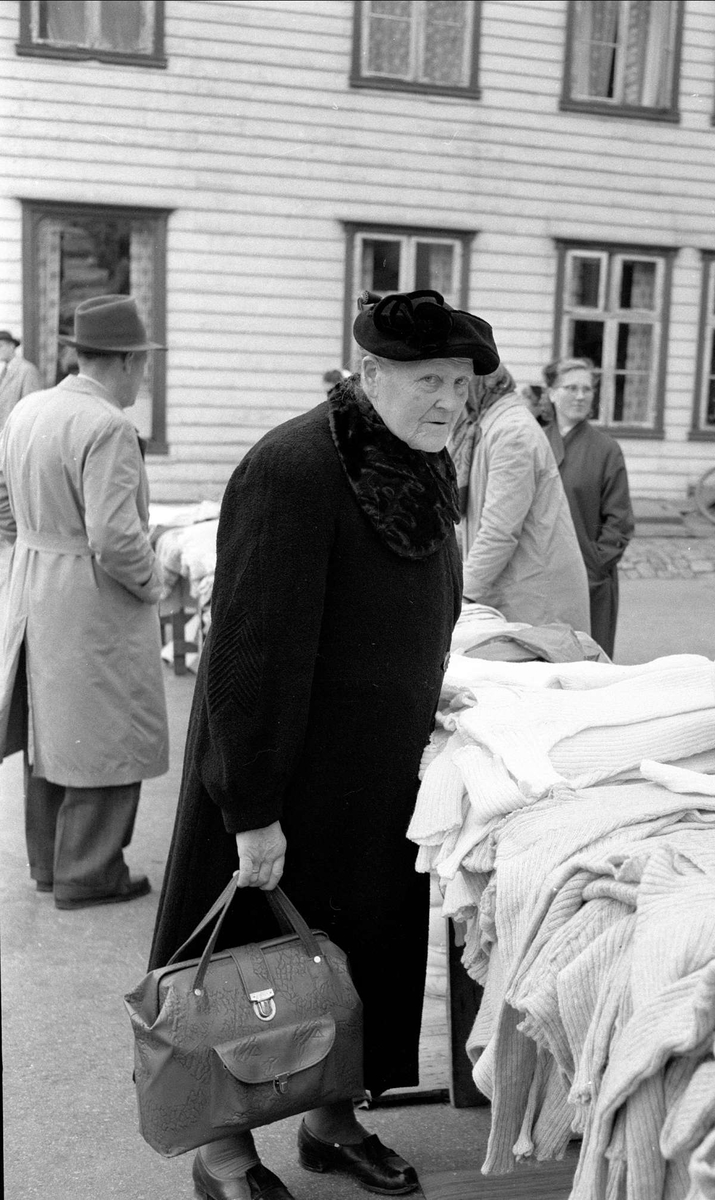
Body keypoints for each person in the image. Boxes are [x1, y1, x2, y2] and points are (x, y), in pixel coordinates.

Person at [149, 288, 498, 1200]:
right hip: (283, 773)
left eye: (462, 386)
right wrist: (252, 810)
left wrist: (423, 685)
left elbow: (415, 601)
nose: (450, 404)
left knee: (353, 961)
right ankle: (222, 1152)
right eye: (430, 381)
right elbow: (252, 654)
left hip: (378, 774)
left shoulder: (418, 458)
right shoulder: (294, 467)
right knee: (247, 970)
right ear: (371, 374)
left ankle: (331, 1124)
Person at [0, 295, 167, 908]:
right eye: (142, 364)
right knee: (106, 730)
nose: (143, 376)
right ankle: (90, 872)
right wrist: (155, 583)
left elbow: (3, 503)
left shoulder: (28, 410)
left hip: (33, 580)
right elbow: (117, 539)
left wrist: (29, 550)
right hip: (91, 594)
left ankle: (50, 865)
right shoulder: (108, 426)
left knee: (52, 728)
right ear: (123, 361)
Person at [453, 364, 590, 633]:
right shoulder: (489, 423)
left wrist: (464, 596)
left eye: (458, 384)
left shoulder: (512, 432)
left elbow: (500, 530)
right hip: (519, 589)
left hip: (535, 596)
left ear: (476, 384)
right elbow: (471, 519)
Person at [537, 356, 635, 657]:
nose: (581, 396)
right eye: (571, 388)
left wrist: (593, 566)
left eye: (587, 389)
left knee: (589, 663)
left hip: (591, 579)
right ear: (552, 393)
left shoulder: (606, 450)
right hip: (541, 576)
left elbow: (619, 521)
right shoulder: (535, 439)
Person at [0, 330, 43, 427]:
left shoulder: (27, 370)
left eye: (0, 346)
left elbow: (31, 407)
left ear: (12, 346)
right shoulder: (4, 371)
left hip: (15, 430)